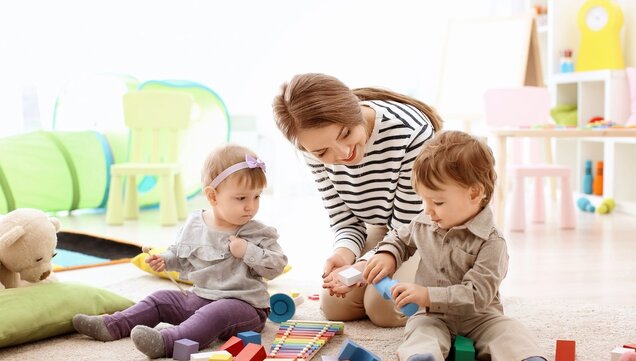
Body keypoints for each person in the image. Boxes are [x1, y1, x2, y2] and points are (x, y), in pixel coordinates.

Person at [72, 144, 288, 359]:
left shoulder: (257, 232)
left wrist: (247, 251)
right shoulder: (195, 223)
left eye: (257, 196)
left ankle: (167, 341)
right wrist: (165, 260)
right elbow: (181, 256)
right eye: (242, 198)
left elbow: (276, 265)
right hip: (201, 297)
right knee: (160, 299)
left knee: (216, 313)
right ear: (213, 197)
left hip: (245, 308)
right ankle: (112, 325)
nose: (251, 206)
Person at [272, 73, 443, 327]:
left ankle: (446, 282)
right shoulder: (313, 150)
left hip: (424, 228)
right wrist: (344, 254)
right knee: (335, 305)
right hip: (385, 226)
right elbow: (345, 221)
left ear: (354, 111)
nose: (343, 153)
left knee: (385, 308)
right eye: (322, 152)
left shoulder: (410, 132)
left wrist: (363, 266)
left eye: (345, 133)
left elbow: (407, 226)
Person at [362, 131, 546, 361]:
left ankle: (526, 357)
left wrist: (427, 295)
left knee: (509, 332)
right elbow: (400, 238)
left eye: (438, 202)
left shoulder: (492, 242)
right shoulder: (424, 222)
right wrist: (388, 254)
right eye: (424, 200)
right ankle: (421, 357)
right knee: (420, 332)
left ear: (475, 193)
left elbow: (477, 295)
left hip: (481, 316)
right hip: (431, 315)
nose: (428, 210)